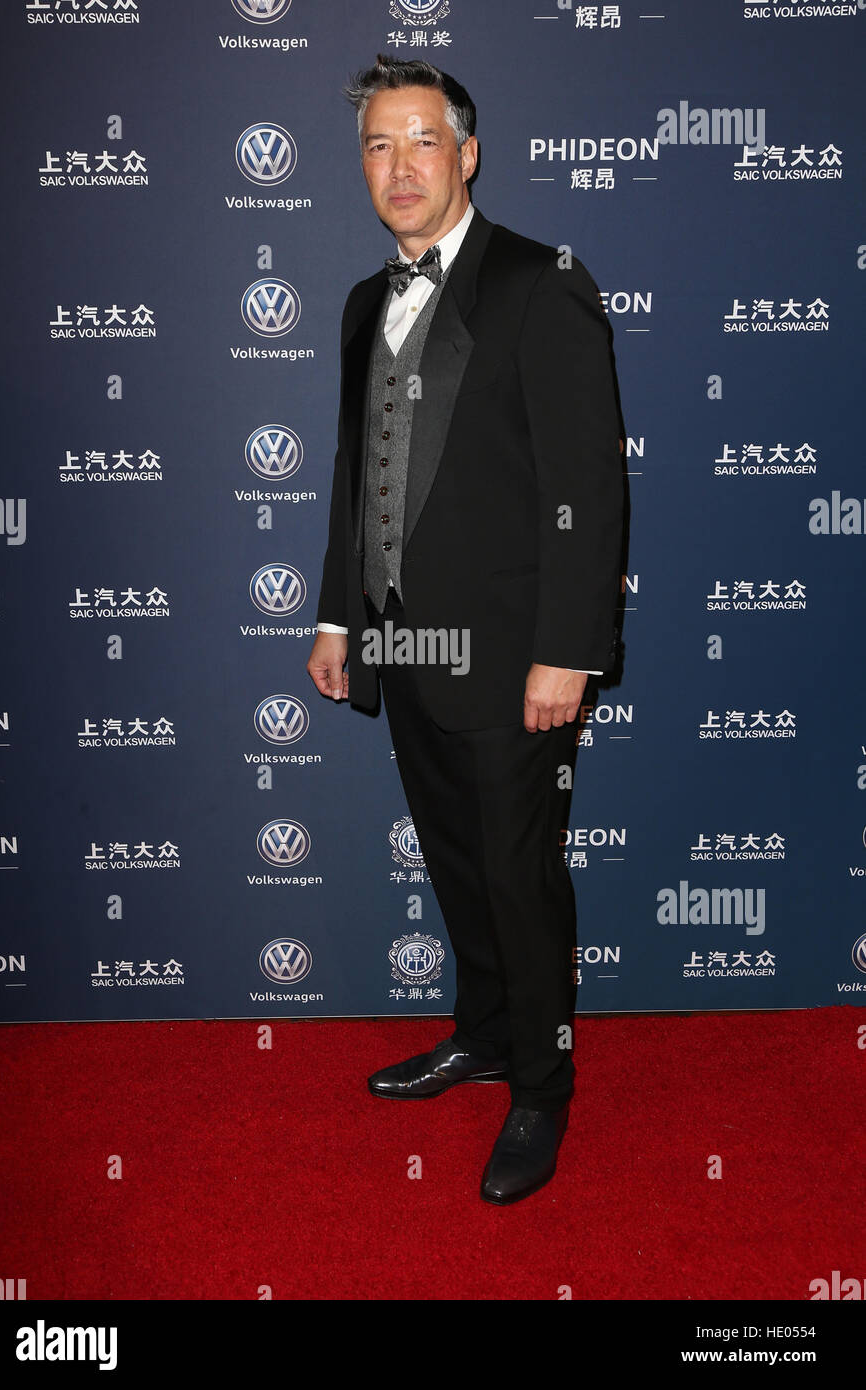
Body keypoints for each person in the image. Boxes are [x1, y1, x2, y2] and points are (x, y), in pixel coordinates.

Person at [306, 54, 625, 1205]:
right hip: (402, 644)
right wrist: (341, 612)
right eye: (378, 147)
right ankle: (485, 1034)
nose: (398, 167)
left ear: (468, 153)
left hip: (514, 653)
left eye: (421, 142)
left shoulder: (542, 283)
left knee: (517, 870)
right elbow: (355, 474)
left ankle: (542, 1087)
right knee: (454, 859)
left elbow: (587, 483)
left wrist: (567, 648)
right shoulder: (358, 304)